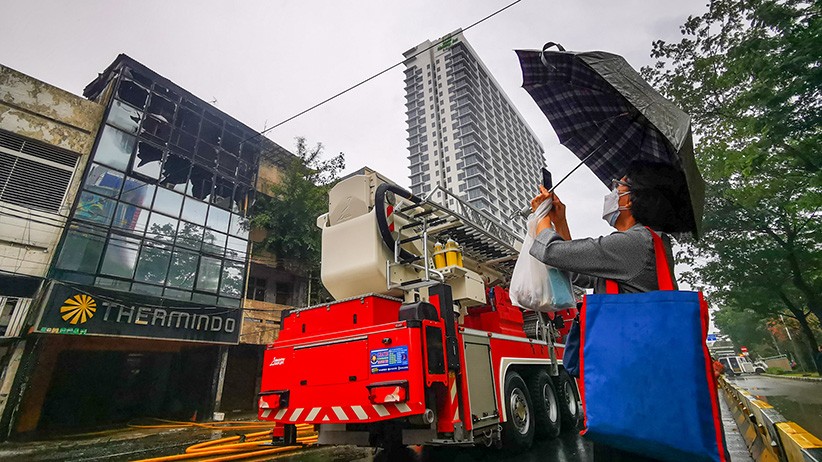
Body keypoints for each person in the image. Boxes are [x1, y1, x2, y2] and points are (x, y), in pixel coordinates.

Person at [529, 160, 691, 462]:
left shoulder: (634, 243)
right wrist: (560, 220)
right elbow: (578, 272)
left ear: (631, 199)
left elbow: (551, 253)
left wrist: (541, 217)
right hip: (644, 384)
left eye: (620, 185)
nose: (614, 190)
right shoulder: (648, 244)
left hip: (629, 395)